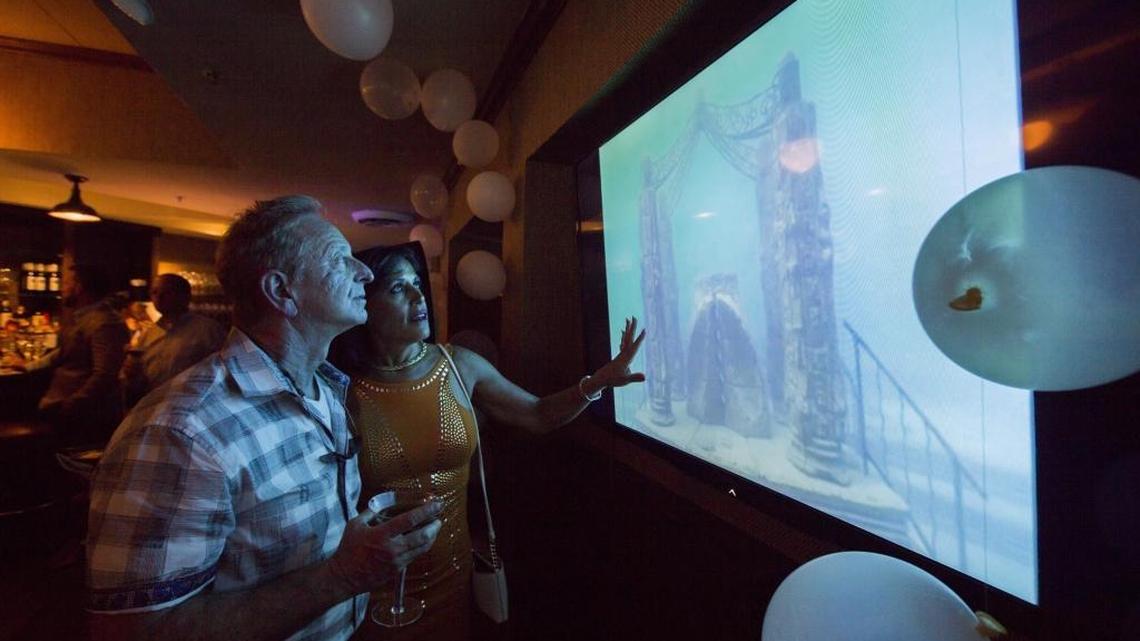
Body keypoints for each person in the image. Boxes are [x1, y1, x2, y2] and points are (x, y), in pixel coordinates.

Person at [85, 196, 443, 641]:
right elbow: (136, 631)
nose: (365, 273)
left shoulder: (328, 389)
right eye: (338, 259)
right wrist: (344, 577)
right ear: (281, 292)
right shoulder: (180, 430)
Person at [328, 243, 646, 641]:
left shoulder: (458, 364)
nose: (417, 295)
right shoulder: (338, 388)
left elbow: (536, 414)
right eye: (396, 288)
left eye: (416, 284)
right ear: (365, 305)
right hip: (376, 592)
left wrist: (596, 384)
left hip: (454, 579)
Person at [37, 264, 130, 446]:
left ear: (79, 287)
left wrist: (71, 404)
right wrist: (27, 366)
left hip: (85, 417)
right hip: (71, 410)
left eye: (66, 284)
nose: (62, 289)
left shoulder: (105, 322)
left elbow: (105, 374)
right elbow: (67, 351)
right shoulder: (86, 317)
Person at [120, 273, 226, 406]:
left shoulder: (207, 330)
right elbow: (139, 383)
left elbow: (223, 373)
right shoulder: (147, 335)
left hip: (194, 406)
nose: (159, 297)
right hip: (154, 407)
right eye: (154, 292)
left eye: (167, 292)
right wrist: (132, 374)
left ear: (185, 296)